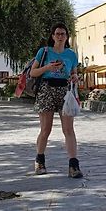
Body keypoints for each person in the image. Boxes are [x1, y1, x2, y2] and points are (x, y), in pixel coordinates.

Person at [30, 23, 83, 178]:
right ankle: (40, 160)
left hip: (65, 91)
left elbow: (74, 73)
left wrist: (75, 77)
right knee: (46, 129)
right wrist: (48, 68)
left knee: (68, 129)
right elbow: (33, 72)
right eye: (57, 34)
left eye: (63, 34)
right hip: (46, 89)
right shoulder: (44, 51)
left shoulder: (71, 54)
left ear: (67, 36)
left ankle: (73, 165)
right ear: (52, 36)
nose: (60, 36)